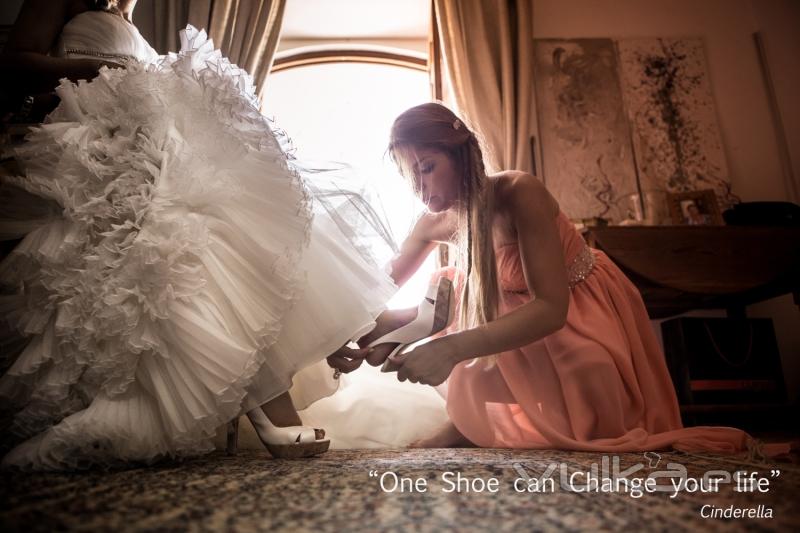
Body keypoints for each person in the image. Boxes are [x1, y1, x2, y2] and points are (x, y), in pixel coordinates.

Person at [0, 0, 439, 469]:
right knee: (216, 228)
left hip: (142, 152)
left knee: (248, 217)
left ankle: (358, 330)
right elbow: (14, 64)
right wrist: (102, 67)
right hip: (100, 158)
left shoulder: (124, 12)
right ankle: (351, 341)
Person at [375, 102, 793, 458]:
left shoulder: (520, 192)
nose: (420, 187)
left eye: (427, 168)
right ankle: (461, 415)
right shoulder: (433, 224)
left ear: (461, 153)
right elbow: (379, 286)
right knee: (467, 373)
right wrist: (355, 334)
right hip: (505, 307)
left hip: (573, 305)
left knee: (587, 370)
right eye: (409, 176)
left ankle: (466, 409)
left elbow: (551, 310)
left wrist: (451, 346)